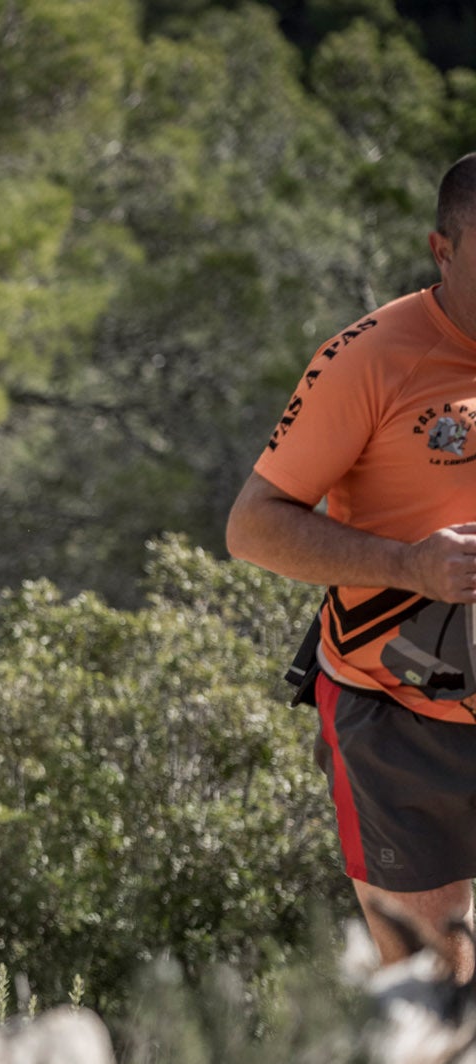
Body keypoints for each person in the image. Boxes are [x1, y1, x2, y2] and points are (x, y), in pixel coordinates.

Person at [227, 153, 476, 985]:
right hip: (403, 720)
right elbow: (253, 527)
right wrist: (412, 564)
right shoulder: (370, 359)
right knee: (439, 988)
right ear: (442, 251)